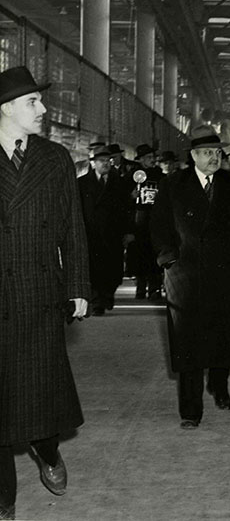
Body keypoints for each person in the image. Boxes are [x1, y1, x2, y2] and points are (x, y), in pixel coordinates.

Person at [0, 66, 90, 520]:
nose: (44, 109)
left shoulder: (54, 159)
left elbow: (72, 229)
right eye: (33, 102)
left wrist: (77, 285)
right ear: (6, 109)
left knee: (39, 397)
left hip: (38, 293)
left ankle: (48, 451)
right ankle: (4, 503)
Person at [151, 125, 230, 430]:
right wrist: (168, 257)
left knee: (223, 336)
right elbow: (158, 225)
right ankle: (190, 409)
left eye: (218, 152)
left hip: (225, 273)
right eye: (208, 152)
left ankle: (220, 386)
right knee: (188, 342)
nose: (215, 157)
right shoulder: (173, 184)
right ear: (193, 155)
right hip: (185, 275)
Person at [78, 145, 134, 315]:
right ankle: (97, 302)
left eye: (108, 160)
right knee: (94, 270)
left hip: (113, 234)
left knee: (113, 269)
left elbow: (127, 209)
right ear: (93, 163)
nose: (106, 164)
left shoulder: (120, 183)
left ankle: (107, 295)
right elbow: (77, 209)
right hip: (91, 233)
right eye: (101, 161)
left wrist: (129, 231)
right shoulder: (82, 184)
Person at [127, 143, 163, 300]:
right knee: (140, 254)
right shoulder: (132, 176)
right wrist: (130, 196)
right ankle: (141, 288)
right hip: (139, 219)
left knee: (154, 254)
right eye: (148, 157)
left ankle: (154, 288)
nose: (152, 160)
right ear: (141, 160)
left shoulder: (159, 175)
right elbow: (123, 196)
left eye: (152, 157)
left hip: (155, 218)